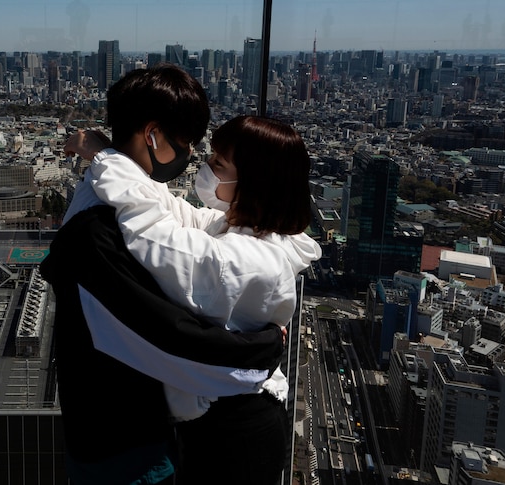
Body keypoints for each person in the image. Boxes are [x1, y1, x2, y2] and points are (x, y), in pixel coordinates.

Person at [39, 65, 287, 485]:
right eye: (185, 142)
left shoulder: (116, 193)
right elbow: (168, 337)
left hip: (120, 429)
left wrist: (101, 151)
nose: (189, 154)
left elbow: (173, 216)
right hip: (122, 446)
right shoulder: (98, 234)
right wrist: (262, 348)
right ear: (152, 135)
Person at [66, 115, 322, 484]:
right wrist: (117, 157)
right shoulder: (240, 230)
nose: (206, 168)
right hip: (220, 418)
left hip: (236, 433)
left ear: (253, 179)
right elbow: (175, 211)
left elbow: (153, 232)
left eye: (218, 163)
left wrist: (105, 156)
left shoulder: (250, 258)